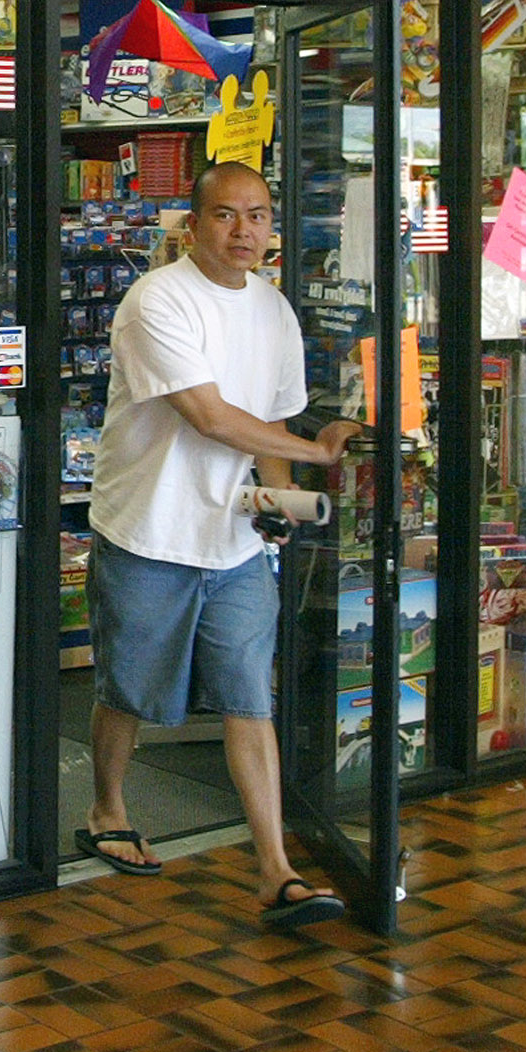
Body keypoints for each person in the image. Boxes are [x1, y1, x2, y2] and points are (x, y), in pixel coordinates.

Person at [78, 157, 357, 926]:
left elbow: (268, 424)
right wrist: (318, 454)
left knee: (246, 696)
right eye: (227, 215)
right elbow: (209, 416)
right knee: (130, 687)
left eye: (259, 215)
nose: (245, 230)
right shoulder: (154, 301)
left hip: (233, 539)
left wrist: (276, 500)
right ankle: (107, 809)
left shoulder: (274, 311)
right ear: (194, 225)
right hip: (150, 528)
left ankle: (275, 868)